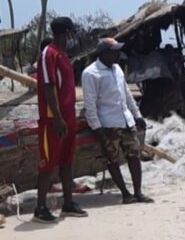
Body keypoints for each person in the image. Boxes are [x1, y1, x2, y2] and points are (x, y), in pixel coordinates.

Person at [82, 38, 152, 204]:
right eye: (114, 51)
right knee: (112, 160)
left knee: (134, 156)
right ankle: (125, 194)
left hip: (126, 120)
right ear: (104, 53)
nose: (118, 54)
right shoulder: (91, 73)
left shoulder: (118, 69)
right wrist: (97, 128)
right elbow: (90, 105)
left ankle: (138, 192)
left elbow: (127, 95)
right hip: (108, 124)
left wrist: (137, 115)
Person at [33, 17, 89, 223]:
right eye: (71, 32)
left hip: (68, 117)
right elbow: (48, 86)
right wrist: (57, 117)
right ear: (65, 32)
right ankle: (40, 207)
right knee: (48, 164)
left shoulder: (64, 55)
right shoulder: (49, 53)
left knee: (66, 161)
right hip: (52, 120)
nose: (73, 36)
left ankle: (68, 203)